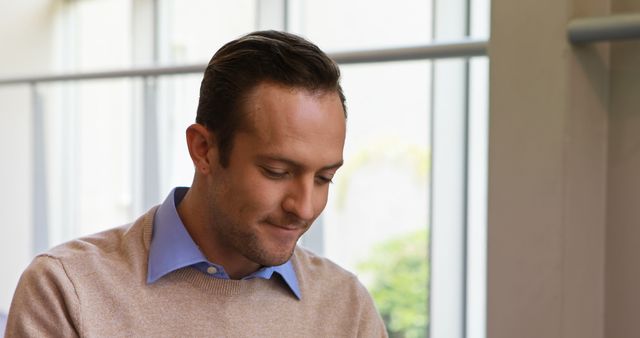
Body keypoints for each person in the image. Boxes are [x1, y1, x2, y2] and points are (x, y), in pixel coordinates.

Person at [4, 30, 387, 337]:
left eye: (324, 178)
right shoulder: (68, 290)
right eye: (276, 171)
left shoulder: (345, 307)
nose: (304, 208)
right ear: (203, 150)